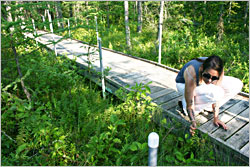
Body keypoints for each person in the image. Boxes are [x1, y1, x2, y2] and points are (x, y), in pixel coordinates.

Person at [175, 55, 243, 136]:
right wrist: (193, 122)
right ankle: (185, 104)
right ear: (202, 68)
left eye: (214, 78)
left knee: (237, 84)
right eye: (207, 76)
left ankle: (207, 106)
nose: (210, 80)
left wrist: (216, 117)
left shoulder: (219, 70)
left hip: (200, 83)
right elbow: (190, 105)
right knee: (217, 92)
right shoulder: (191, 71)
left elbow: (216, 91)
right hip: (183, 84)